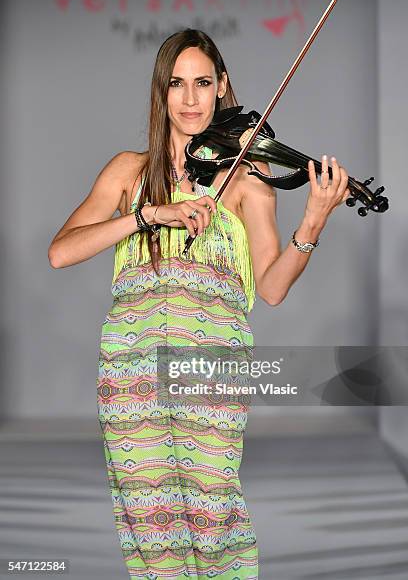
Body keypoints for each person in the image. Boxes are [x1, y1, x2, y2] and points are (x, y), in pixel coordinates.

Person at [48, 28, 350, 580]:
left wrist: (314, 219)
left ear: (222, 87)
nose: (190, 99)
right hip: (131, 373)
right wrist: (147, 215)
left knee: (214, 526)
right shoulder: (129, 172)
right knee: (150, 530)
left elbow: (272, 287)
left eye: (203, 83)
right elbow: (61, 252)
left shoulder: (246, 180)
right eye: (177, 84)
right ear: (161, 93)